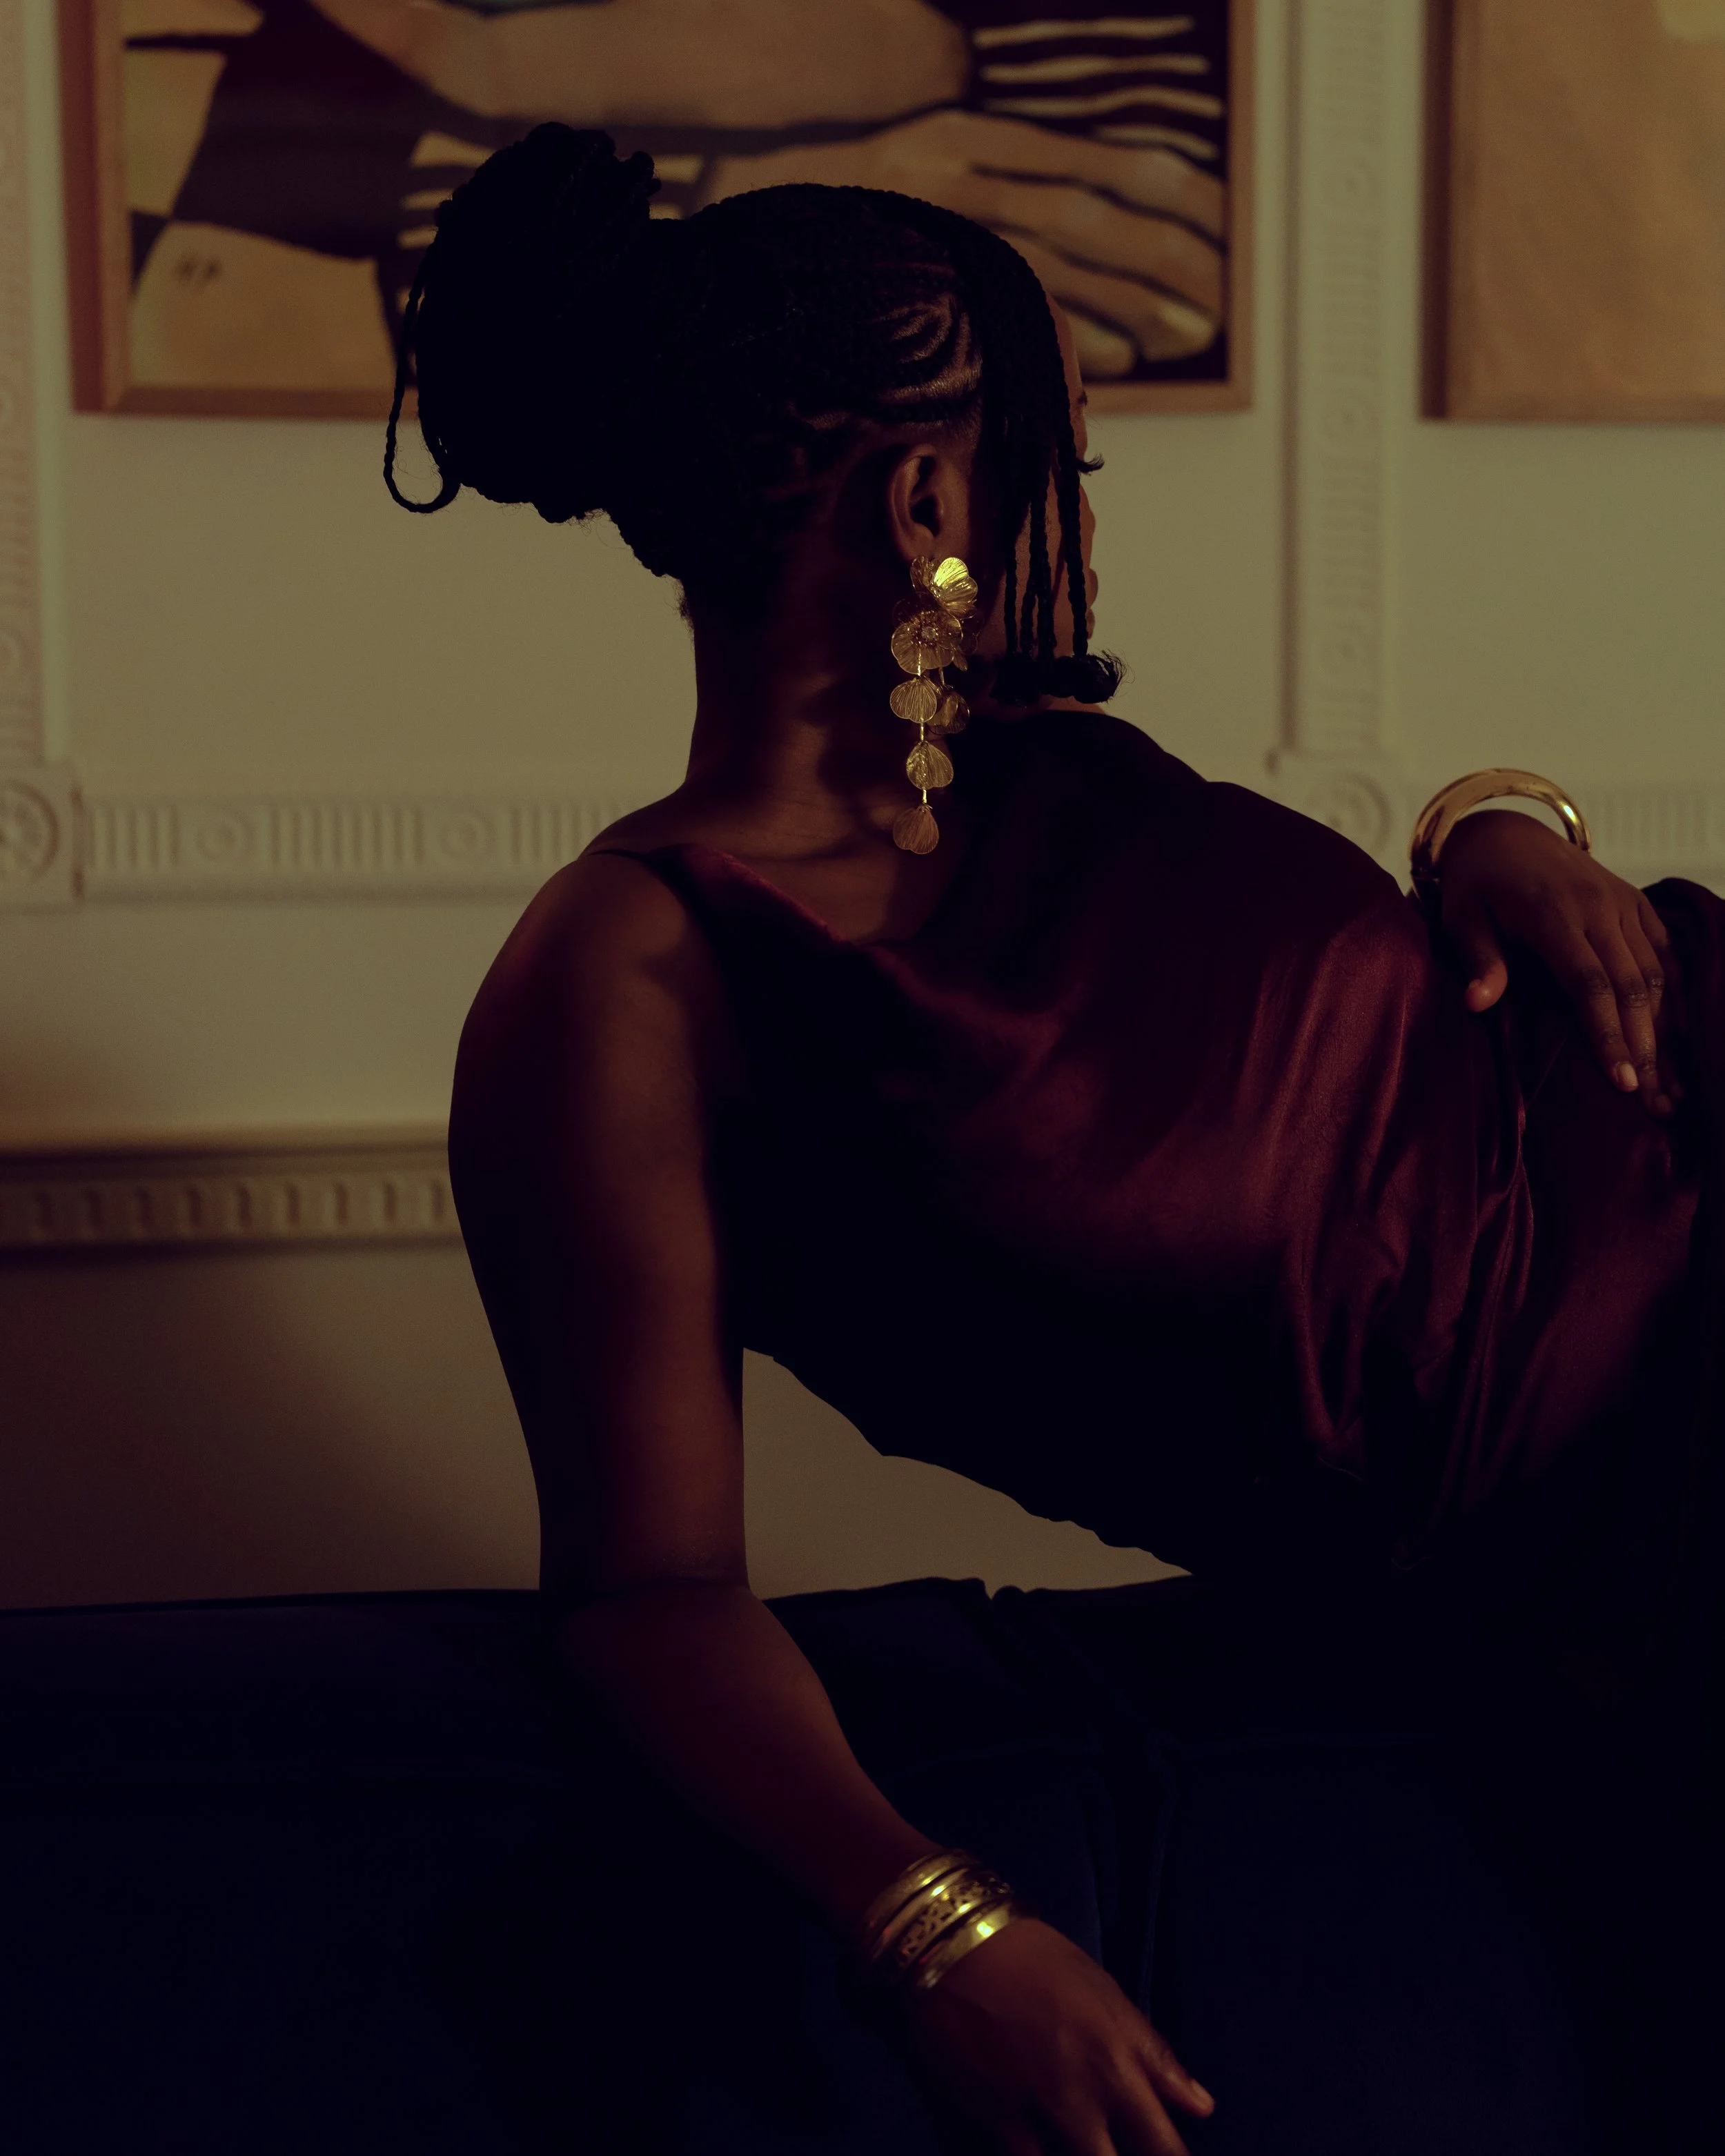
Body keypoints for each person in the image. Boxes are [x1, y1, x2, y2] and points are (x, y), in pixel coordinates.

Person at [386, 127, 1721, 2154]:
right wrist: (929, 1917)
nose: (1054, 520)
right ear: (929, 493)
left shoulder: (1047, 777)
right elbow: (645, 1588)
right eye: (1043, 465)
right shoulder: (630, 986)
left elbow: (1373, 1042)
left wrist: (1496, 832)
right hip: (1620, 1531)